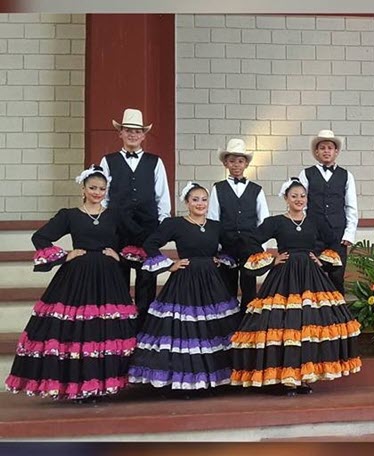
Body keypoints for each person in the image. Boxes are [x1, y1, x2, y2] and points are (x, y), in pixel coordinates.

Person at [5, 166, 137, 402]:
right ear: (83, 189)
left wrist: (119, 256)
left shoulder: (114, 215)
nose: (97, 192)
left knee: (105, 329)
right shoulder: (69, 215)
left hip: (108, 277)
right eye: (93, 188)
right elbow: (40, 236)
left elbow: (138, 237)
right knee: (77, 329)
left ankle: (104, 385)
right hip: (77, 276)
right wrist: (66, 255)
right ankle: (77, 385)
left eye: (102, 189)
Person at [230, 178, 361, 395]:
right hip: (284, 277)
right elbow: (250, 238)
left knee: (308, 324)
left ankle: (303, 378)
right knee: (284, 323)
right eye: (294, 196)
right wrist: (272, 259)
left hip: (311, 277)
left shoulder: (314, 221)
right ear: (286, 198)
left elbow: (333, 240)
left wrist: (321, 259)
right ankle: (285, 378)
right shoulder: (276, 222)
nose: (299, 199)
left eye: (302, 196)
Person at [128, 182, 241, 395]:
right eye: (195, 200)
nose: (200, 203)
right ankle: (185, 381)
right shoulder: (175, 224)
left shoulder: (216, 226)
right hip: (185, 281)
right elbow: (150, 243)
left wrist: (221, 258)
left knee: (212, 329)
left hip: (212, 283)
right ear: (187, 203)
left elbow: (232, 245)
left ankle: (214, 379)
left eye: (204, 200)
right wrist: (169, 265)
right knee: (185, 329)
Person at [99, 108, 171, 327]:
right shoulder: (108, 160)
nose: (132, 134)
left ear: (143, 135)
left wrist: (162, 225)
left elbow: (162, 195)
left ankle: (144, 324)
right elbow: (103, 195)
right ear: (120, 133)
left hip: (147, 226)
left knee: (146, 277)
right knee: (118, 274)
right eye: (128, 130)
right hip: (118, 227)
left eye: (137, 131)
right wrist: (104, 223)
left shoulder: (155, 162)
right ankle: (120, 323)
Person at [208, 138, 270, 311]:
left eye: (240, 161)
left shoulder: (256, 189)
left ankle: (247, 318)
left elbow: (263, 220)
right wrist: (216, 246)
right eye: (232, 161)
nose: (236, 165)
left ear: (246, 164)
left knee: (249, 285)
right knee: (227, 284)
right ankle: (229, 317)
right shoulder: (218, 188)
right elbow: (213, 218)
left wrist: (261, 246)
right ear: (225, 163)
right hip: (226, 244)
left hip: (249, 246)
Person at [297, 130, 358, 294]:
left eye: (330, 148)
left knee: (337, 275)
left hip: (338, 234)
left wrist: (349, 234)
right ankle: (314, 308)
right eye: (322, 148)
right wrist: (303, 230)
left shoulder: (346, 175)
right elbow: (300, 204)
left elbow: (351, 206)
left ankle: (338, 308)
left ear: (336, 151)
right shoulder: (306, 174)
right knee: (313, 274)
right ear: (316, 152)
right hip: (314, 233)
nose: (326, 151)